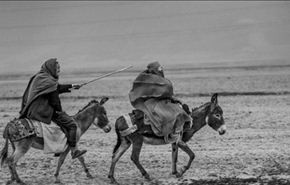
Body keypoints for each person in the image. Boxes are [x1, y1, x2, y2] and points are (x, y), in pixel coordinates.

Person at [19, 58, 86, 159]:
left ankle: (58, 148)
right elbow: (54, 101)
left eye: (59, 68)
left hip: (33, 109)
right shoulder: (50, 82)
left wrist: (72, 86)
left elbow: (57, 88)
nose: (59, 70)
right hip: (41, 111)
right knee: (72, 125)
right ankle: (74, 150)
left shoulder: (41, 77)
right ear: (51, 68)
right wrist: (59, 111)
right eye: (57, 68)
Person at [129, 61, 191, 143]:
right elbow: (156, 93)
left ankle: (177, 131)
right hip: (152, 103)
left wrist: (172, 98)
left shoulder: (159, 80)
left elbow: (165, 91)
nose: (161, 71)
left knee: (179, 108)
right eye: (158, 69)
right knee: (176, 112)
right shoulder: (148, 80)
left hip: (162, 101)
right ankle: (173, 134)